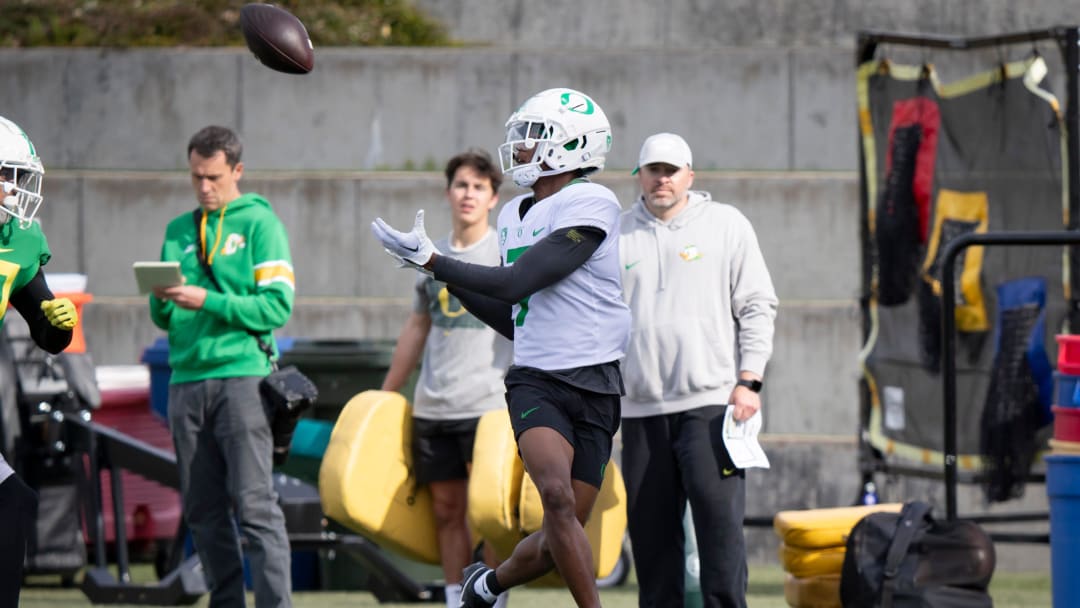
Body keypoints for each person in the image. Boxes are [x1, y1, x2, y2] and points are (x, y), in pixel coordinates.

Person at [371, 87, 630, 608]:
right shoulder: (513, 212)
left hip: (597, 380)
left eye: (535, 137)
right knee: (554, 498)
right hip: (536, 379)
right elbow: (514, 317)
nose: (522, 147)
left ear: (573, 145)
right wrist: (436, 270)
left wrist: (437, 263)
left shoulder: (592, 201)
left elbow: (516, 283)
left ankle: (485, 584)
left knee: (564, 535)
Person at [618, 132, 778, 608]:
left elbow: (757, 305)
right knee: (652, 549)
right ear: (639, 175)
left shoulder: (726, 224)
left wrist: (750, 379)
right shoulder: (616, 232)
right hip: (640, 410)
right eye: (653, 169)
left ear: (690, 175)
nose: (661, 178)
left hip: (711, 406)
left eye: (671, 170)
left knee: (721, 539)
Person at [149, 125, 296, 607]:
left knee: (255, 508)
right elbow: (165, 318)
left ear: (237, 171)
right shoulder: (177, 230)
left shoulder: (261, 225)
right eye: (196, 178)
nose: (204, 187)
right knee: (202, 512)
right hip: (186, 380)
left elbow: (276, 308)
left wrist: (204, 298)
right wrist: (164, 301)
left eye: (213, 177)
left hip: (243, 378)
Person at [379, 150, 512, 608]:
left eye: (479, 186)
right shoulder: (427, 255)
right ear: (447, 193)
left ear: (494, 198)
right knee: (447, 512)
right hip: (435, 406)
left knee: (489, 514)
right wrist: (385, 396)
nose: (469, 194)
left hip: (490, 406)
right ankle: (458, 598)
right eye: (461, 185)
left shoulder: (505, 252)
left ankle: (492, 597)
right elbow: (417, 328)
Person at [0, 115, 79, 607]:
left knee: (13, 502)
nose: (12, 189)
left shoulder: (19, 239)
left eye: (15, 176)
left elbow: (46, 331)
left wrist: (59, 322)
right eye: (3, 174)